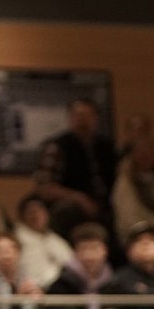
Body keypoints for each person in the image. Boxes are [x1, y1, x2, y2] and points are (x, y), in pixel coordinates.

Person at [39, 99, 117, 234]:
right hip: (72, 204)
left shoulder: (107, 147)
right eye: (78, 115)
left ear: (96, 118)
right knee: (66, 210)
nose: (82, 120)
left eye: (87, 115)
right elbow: (45, 187)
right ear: (70, 118)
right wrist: (79, 198)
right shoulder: (58, 146)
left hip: (106, 202)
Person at [15, 194, 75, 292]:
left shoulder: (57, 241)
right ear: (23, 216)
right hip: (28, 290)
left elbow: (72, 266)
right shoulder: (16, 239)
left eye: (39, 211)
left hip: (57, 291)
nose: (35, 216)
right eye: (31, 212)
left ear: (47, 214)